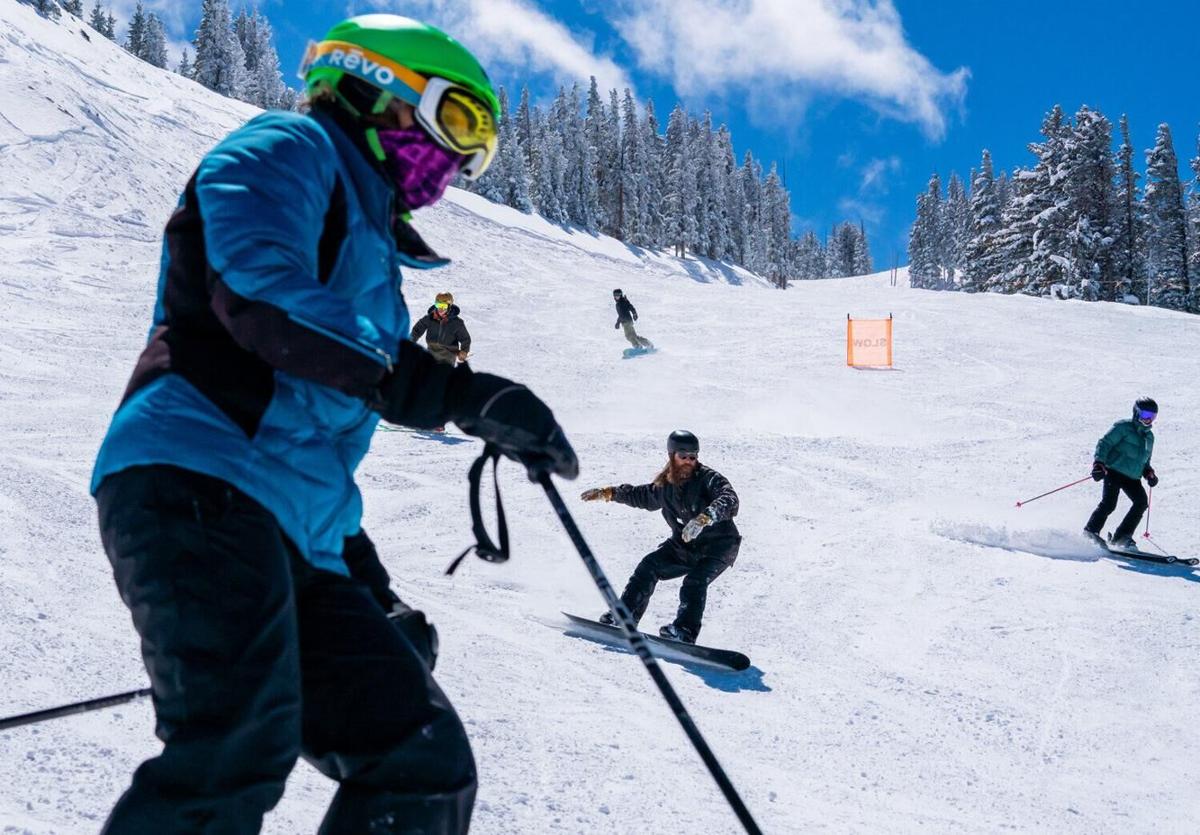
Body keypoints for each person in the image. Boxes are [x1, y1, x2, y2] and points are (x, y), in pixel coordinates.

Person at [89, 14, 577, 834]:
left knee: (421, 758)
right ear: (376, 85)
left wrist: (373, 595)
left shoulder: (374, 253)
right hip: (193, 479)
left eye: (479, 148)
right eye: (459, 123)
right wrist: (453, 393)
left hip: (285, 526)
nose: (461, 159)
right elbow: (263, 294)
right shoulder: (286, 148)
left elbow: (309, 457)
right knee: (236, 744)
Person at [579, 430, 739, 644]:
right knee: (649, 566)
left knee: (695, 581)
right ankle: (623, 617)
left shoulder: (708, 479)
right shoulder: (665, 486)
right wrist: (610, 493)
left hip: (718, 546)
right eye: (684, 456)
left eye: (693, 457)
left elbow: (729, 498)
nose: (689, 461)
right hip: (685, 547)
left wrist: (705, 518)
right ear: (672, 455)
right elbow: (641, 495)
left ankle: (684, 632)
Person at [1084, 397, 1158, 549]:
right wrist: (1099, 463)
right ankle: (1090, 532)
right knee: (1109, 504)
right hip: (1113, 470)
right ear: (1136, 413)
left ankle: (1122, 537)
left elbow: (1145, 461)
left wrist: (1149, 473)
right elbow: (1104, 443)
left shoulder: (1149, 437)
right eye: (1145, 415)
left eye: (1152, 416)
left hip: (1132, 477)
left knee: (1141, 503)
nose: (1148, 419)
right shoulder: (1123, 427)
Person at [411, 292, 471, 366]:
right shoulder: (429, 318)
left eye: (444, 306)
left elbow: (465, 338)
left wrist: (464, 351)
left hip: (448, 355)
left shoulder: (456, 323)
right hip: (431, 352)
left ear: (449, 306)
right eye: (438, 305)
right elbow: (417, 330)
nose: (440, 309)